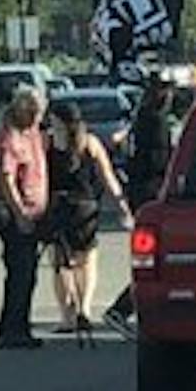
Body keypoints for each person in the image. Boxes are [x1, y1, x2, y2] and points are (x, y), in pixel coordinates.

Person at [44, 96, 129, 334]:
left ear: (56, 119)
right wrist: (123, 206)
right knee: (86, 260)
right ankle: (85, 309)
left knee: (61, 263)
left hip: (58, 205)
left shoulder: (48, 143)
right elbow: (107, 176)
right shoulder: (89, 142)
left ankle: (67, 316)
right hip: (86, 206)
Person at [103, 76, 177, 338]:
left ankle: (142, 312)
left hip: (139, 190)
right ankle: (122, 309)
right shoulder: (155, 122)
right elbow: (159, 159)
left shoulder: (140, 119)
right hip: (152, 192)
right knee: (159, 261)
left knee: (157, 261)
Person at [0, 87, 49, 348]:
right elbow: (6, 180)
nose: (39, 118)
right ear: (23, 111)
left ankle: (17, 325)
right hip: (19, 215)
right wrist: (19, 214)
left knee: (28, 274)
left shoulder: (33, 134)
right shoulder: (9, 139)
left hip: (35, 212)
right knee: (20, 272)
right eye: (35, 112)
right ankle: (13, 329)